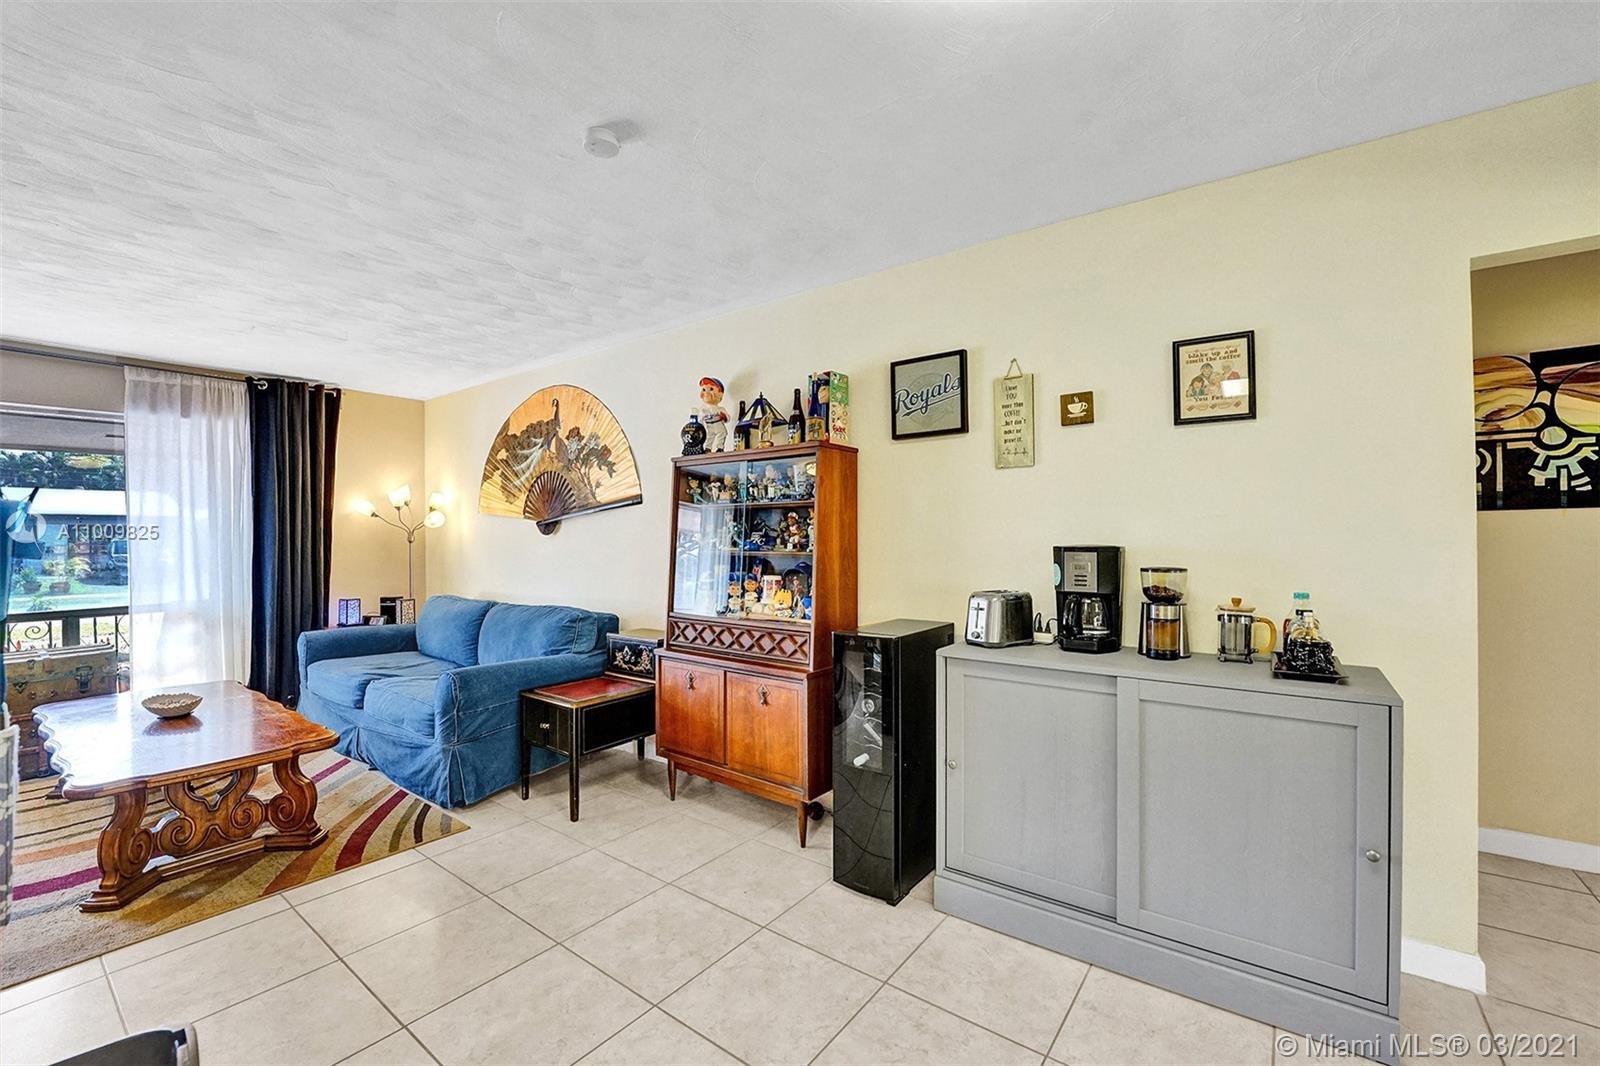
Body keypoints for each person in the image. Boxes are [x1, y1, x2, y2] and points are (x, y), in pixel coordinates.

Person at [698, 377, 730, 452]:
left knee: (722, 433)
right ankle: (707, 448)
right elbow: (700, 420)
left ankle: (720, 447)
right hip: (708, 425)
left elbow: (727, 418)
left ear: (720, 394)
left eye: (711, 389)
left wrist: (724, 417)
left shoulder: (720, 409)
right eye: (704, 390)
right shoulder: (703, 409)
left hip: (718, 423)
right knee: (709, 436)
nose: (706, 393)